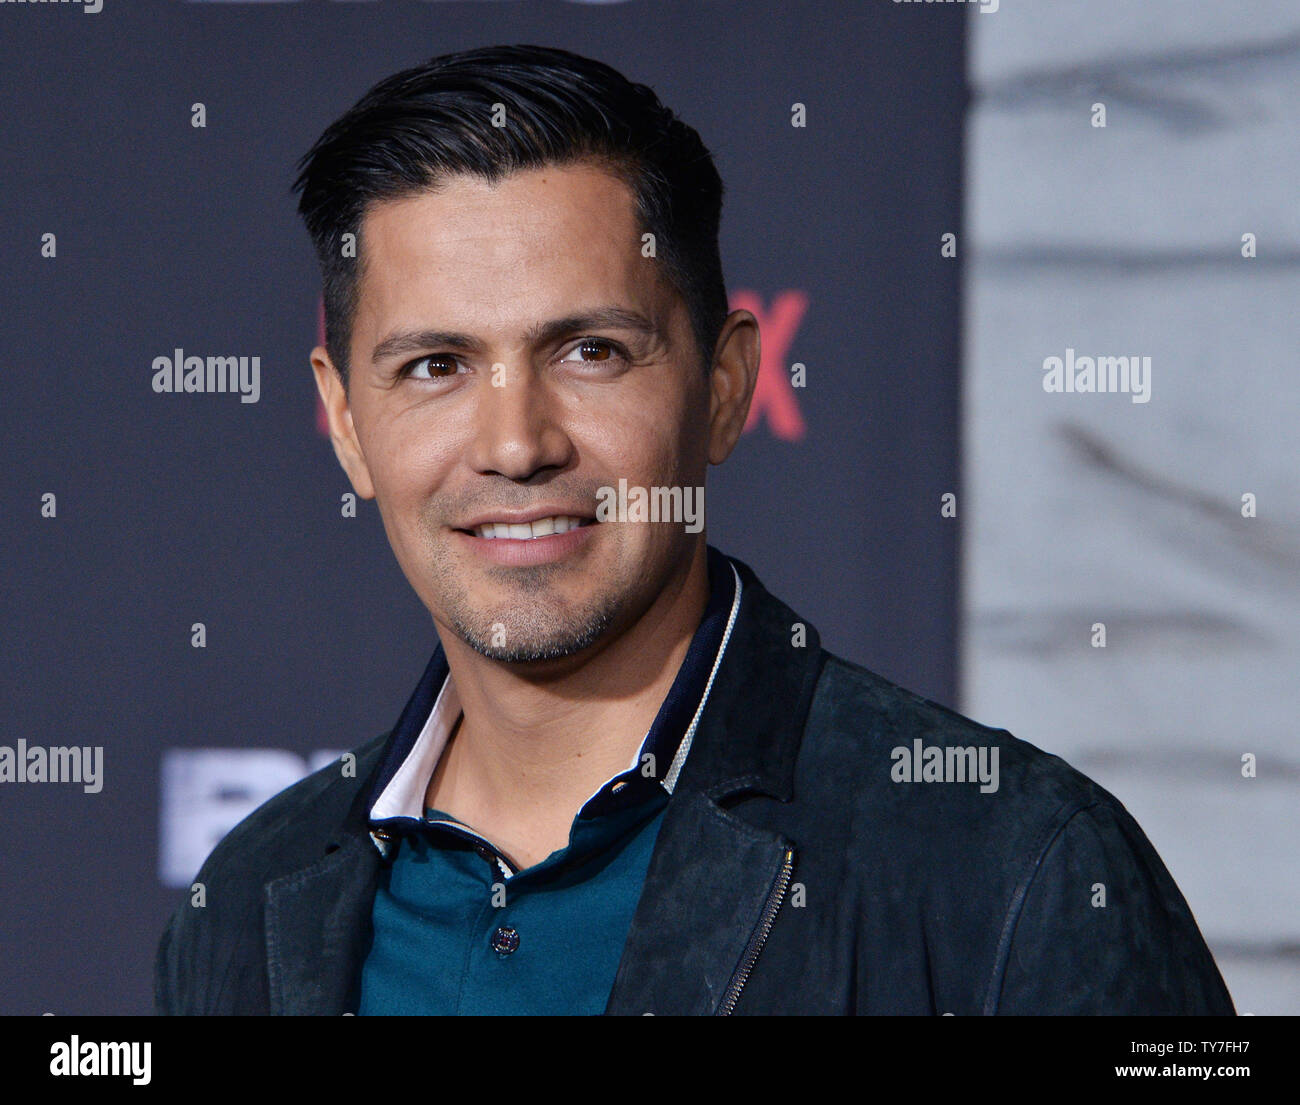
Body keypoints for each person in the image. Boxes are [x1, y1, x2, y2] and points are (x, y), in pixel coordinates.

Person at [154, 44, 1234, 1016]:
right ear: (347, 422)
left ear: (724, 387)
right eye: (435, 367)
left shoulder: (1016, 867)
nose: (516, 443)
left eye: (589, 352)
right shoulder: (244, 906)